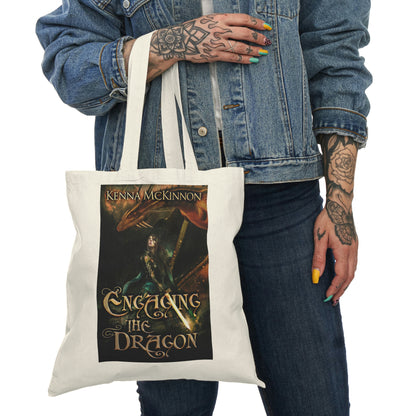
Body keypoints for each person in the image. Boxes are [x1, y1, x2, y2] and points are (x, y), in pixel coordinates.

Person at [36, 0, 372, 414]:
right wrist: (171, 43)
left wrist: (340, 203)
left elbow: (336, 54)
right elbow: (70, 67)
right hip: (162, 207)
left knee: (315, 401)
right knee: (176, 407)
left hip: (282, 203)